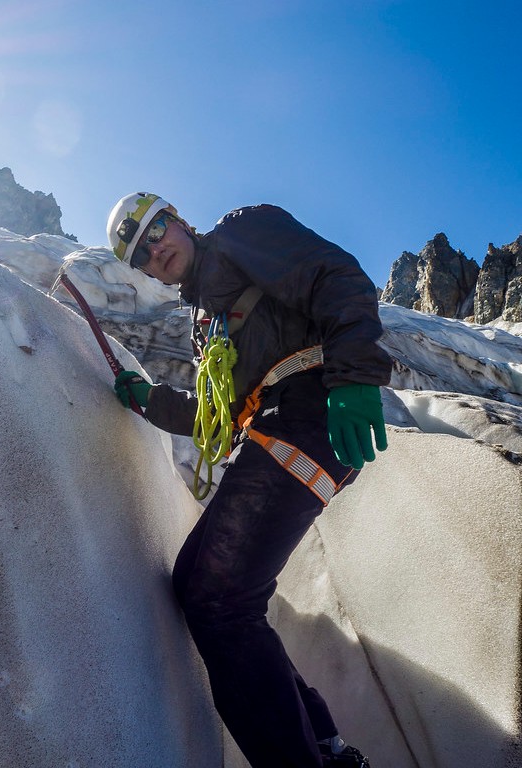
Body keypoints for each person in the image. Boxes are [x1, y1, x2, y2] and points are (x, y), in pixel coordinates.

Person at [106, 192, 391, 768]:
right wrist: (148, 400)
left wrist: (353, 378)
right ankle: (327, 751)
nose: (155, 248)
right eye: (140, 253)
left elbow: (333, 275)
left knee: (218, 602)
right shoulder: (206, 320)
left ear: (180, 219)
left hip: (309, 414)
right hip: (272, 430)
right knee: (198, 586)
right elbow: (218, 413)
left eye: (157, 229)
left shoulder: (241, 233)